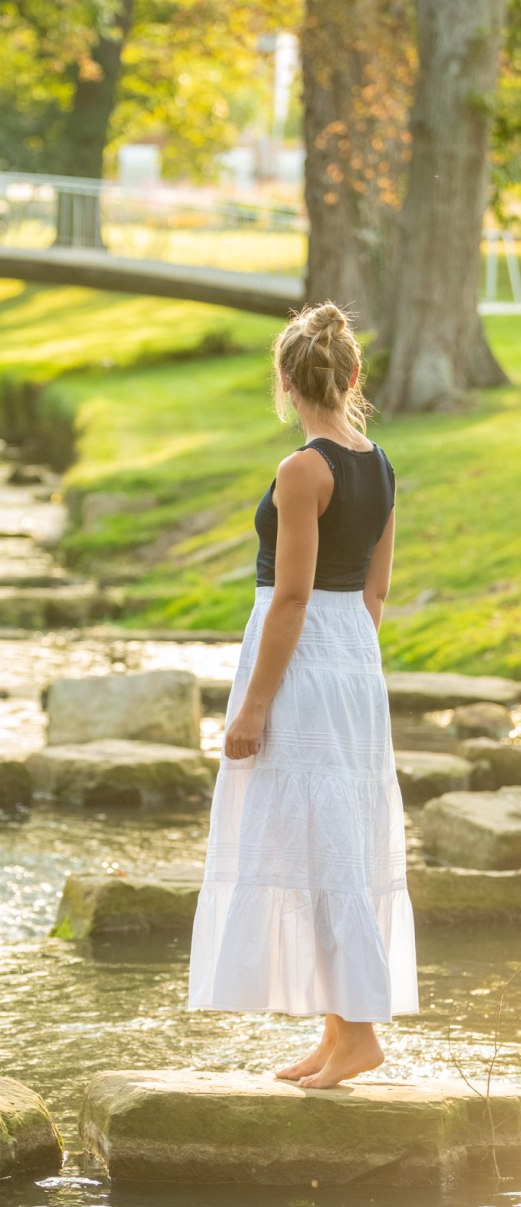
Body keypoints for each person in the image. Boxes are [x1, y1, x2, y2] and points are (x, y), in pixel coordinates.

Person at [187, 301, 418, 1089]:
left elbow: (289, 597)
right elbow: (375, 592)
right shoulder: (380, 463)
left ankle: (354, 1033)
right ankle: (337, 1030)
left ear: (286, 383)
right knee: (333, 839)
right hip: (351, 657)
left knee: (320, 843)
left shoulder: (301, 470)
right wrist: (349, 659)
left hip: (302, 659)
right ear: (353, 376)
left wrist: (252, 705)